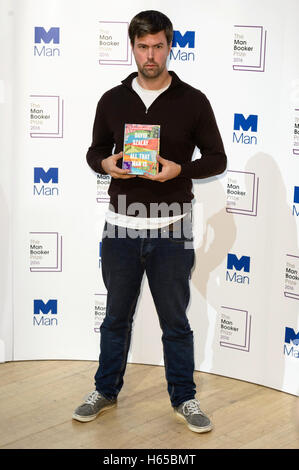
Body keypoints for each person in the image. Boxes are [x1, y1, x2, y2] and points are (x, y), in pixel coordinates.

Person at [73, 10, 227, 433]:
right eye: (143, 46)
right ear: (132, 47)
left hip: (172, 228)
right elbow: (94, 152)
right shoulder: (112, 99)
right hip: (120, 227)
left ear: (170, 45)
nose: (151, 55)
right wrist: (105, 163)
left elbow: (217, 158)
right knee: (115, 318)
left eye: (158, 46)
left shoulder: (192, 100)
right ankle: (105, 390)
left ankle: (184, 397)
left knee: (175, 321)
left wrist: (181, 170)